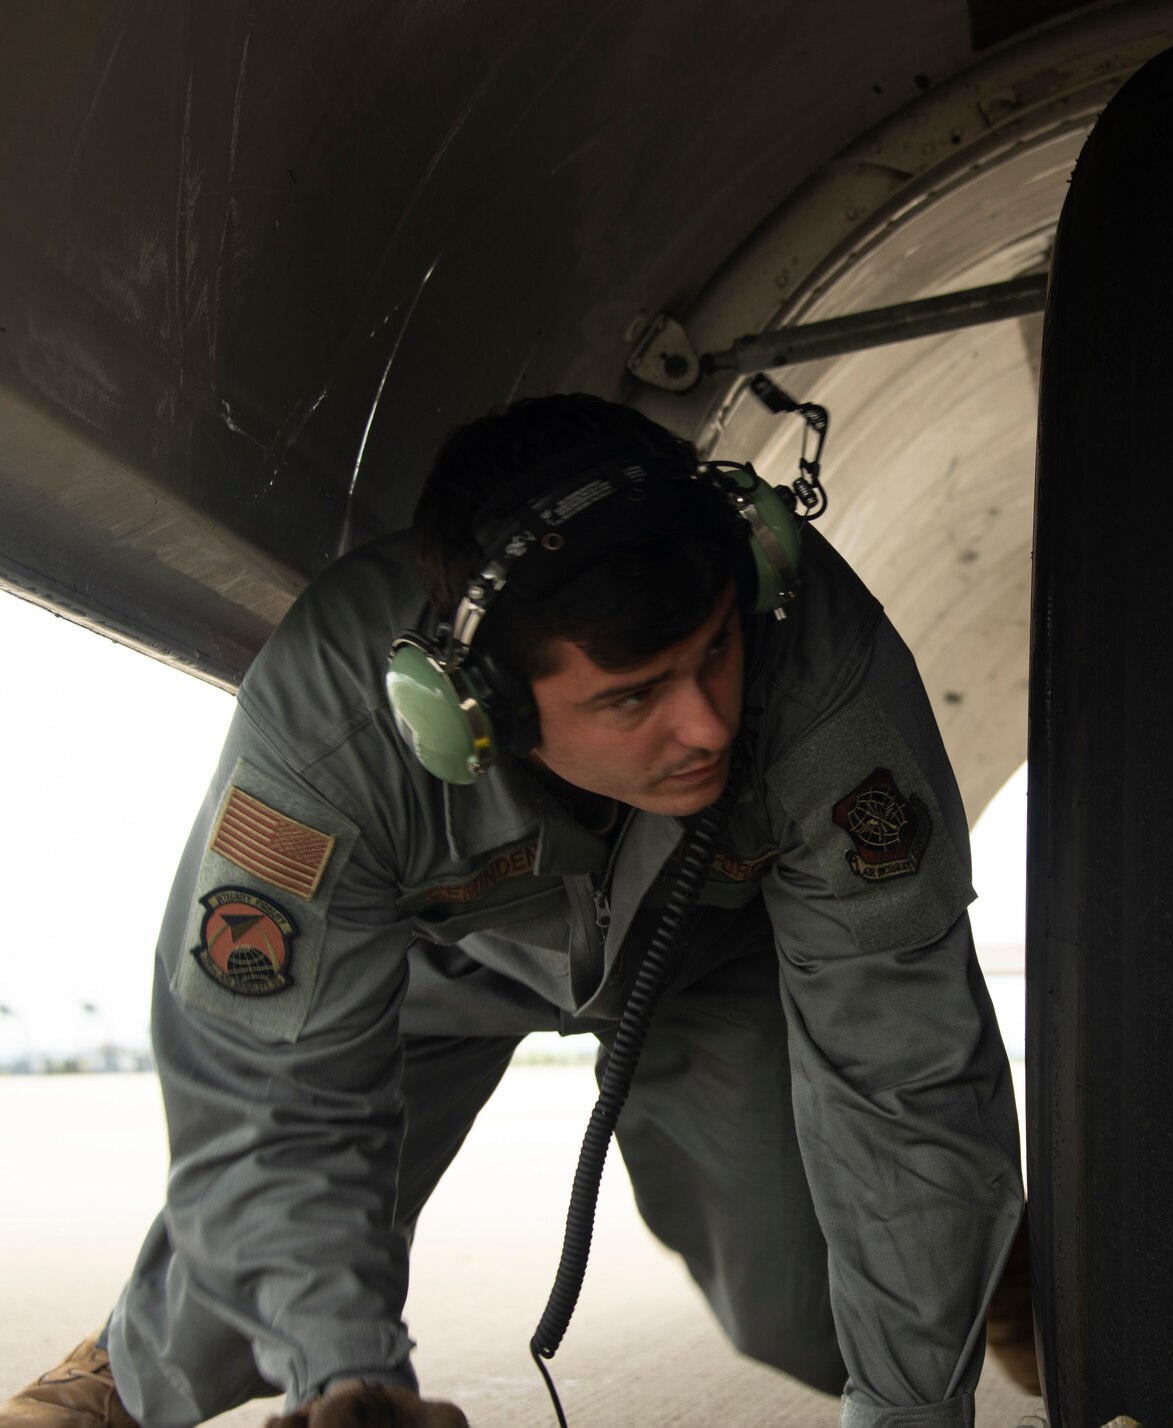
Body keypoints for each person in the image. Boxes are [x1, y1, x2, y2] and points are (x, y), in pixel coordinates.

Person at [3, 394, 1030, 1428]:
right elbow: (272, 1097)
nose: (709, 723)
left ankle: (995, 1268)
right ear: (471, 712)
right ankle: (129, 1377)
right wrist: (353, 1386)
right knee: (248, 1278)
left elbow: (899, 1058)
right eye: (633, 696)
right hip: (436, 968)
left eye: (716, 649)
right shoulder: (337, 721)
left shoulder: (815, 664)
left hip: (712, 960)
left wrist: (907, 1409)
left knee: (795, 1299)